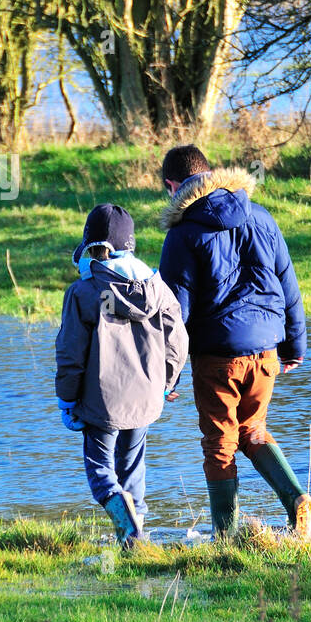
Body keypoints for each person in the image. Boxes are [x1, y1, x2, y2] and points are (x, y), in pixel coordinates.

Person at [158, 144, 311, 537]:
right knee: (253, 430)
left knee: (219, 442)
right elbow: (289, 283)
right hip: (266, 350)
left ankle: (226, 538)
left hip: (217, 356)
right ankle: (298, 500)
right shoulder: (261, 216)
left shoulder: (182, 235)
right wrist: (295, 344)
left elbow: (175, 313)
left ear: (171, 185)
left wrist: (169, 373)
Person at [55, 203, 188, 547]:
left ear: (93, 248)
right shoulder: (159, 289)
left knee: (102, 475)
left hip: (101, 402)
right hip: (146, 398)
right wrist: (167, 383)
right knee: (132, 469)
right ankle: (135, 541)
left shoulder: (84, 293)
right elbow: (177, 341)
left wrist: (67, 400)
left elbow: (70, 355)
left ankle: (127, 530)